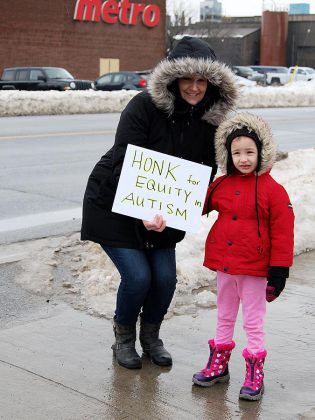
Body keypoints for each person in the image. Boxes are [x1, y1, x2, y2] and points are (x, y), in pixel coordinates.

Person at [81, 36, 238, 370]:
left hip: (166, 212)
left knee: (165, 278)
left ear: (211, 83)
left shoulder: (211, 122)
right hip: (114, 203)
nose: (194, 88)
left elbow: (204, 173)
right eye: (188, 79)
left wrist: (185, 208)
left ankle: (151, 337)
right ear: (173, 78)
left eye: (201, 80)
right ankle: (124, 338)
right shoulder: (142, 106)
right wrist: (143, 211)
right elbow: (124, 161)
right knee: (138, 277)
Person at [192, 112, 295, 400]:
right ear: (228, 155)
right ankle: (219, 363)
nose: (244, 158)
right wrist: (169, 203)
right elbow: (195, 205)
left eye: (250, 151)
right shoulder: (222, 184)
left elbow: (284, 231)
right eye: (237, 153)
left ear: (261, 152)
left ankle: (254, 371)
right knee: (224, 315)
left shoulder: (273, 190)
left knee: (253, 320)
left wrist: (279, 269)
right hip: (224, 265)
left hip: (254, 268)